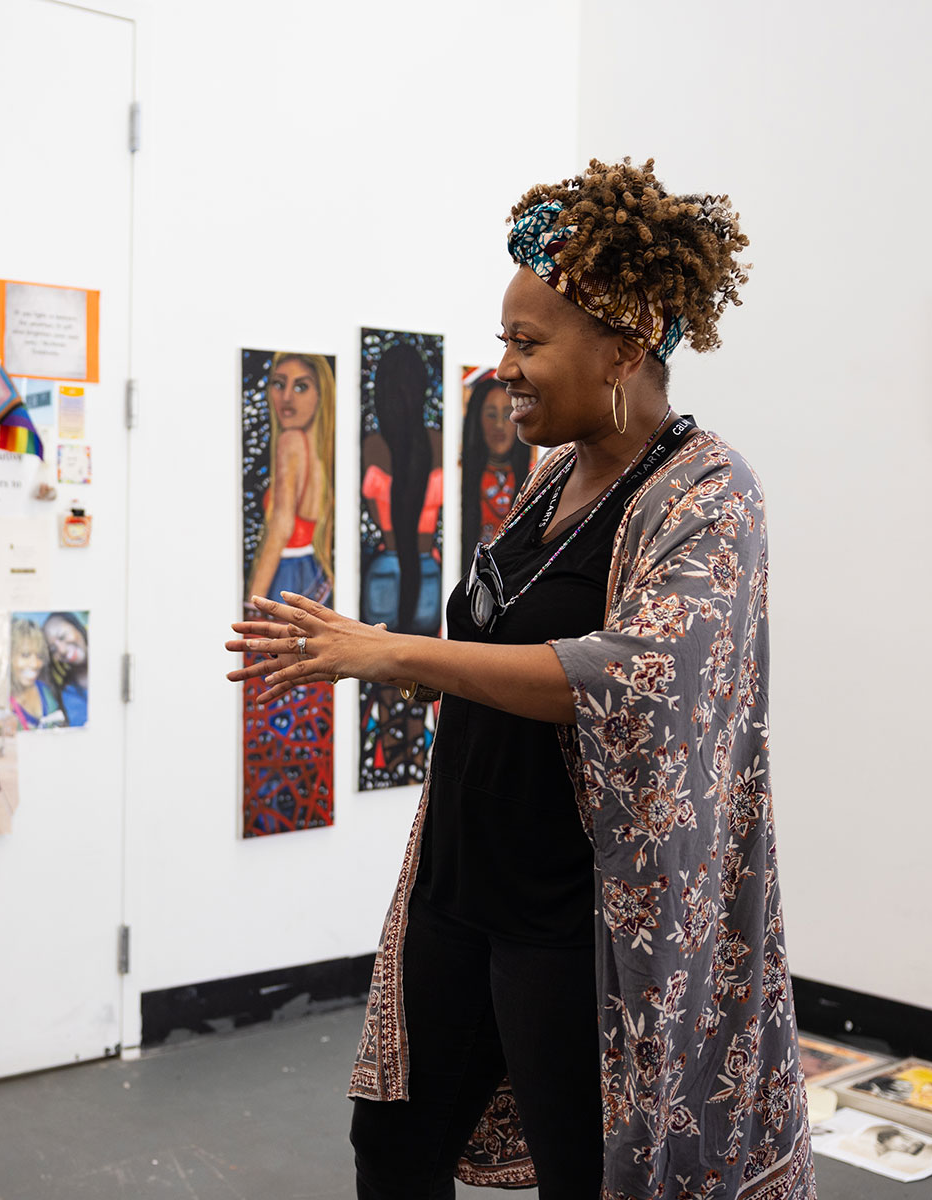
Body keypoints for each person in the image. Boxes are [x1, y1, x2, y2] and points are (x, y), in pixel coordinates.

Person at [226, 158, 814, 1200]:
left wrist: (393, 652)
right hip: (459, 888)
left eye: (528, 342)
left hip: (570, 917)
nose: (503, 366)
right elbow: (504, 652)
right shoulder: (552, 481)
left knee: (585, 1175)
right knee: (394, 1148)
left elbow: (637, 676)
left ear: (625, 348)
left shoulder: (709, 491)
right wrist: (371, 658)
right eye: (506, 339)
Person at [361, 341, 445, 635]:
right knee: (424, 676)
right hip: (428, 569)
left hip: (384, 563)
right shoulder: (438, 443)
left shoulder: (371, 447)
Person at [246, 353, 336, 608]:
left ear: (320, 394)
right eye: (278, 384)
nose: (286, 397)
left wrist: (253, 606)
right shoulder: (320, 449)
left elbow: (282, 525)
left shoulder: (290, 441)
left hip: (287, 574)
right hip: (314, 574)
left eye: (300, 387)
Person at [460, 369, 535, 563]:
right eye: (491, 415)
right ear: (477, 421)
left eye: (508, 414)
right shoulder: (460, 479)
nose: (500, 426)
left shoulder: (535, 480)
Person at [9, 616, 66, 730]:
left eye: (39, 656)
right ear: (9, 656)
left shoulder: (46, 691)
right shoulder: (2, 704)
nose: (35, 664)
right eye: (25, 655)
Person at [42, 611, 90, 727]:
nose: (62, 650)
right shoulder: (68, 692)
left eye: (63, 636)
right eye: (53, 649)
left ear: (77, 626)